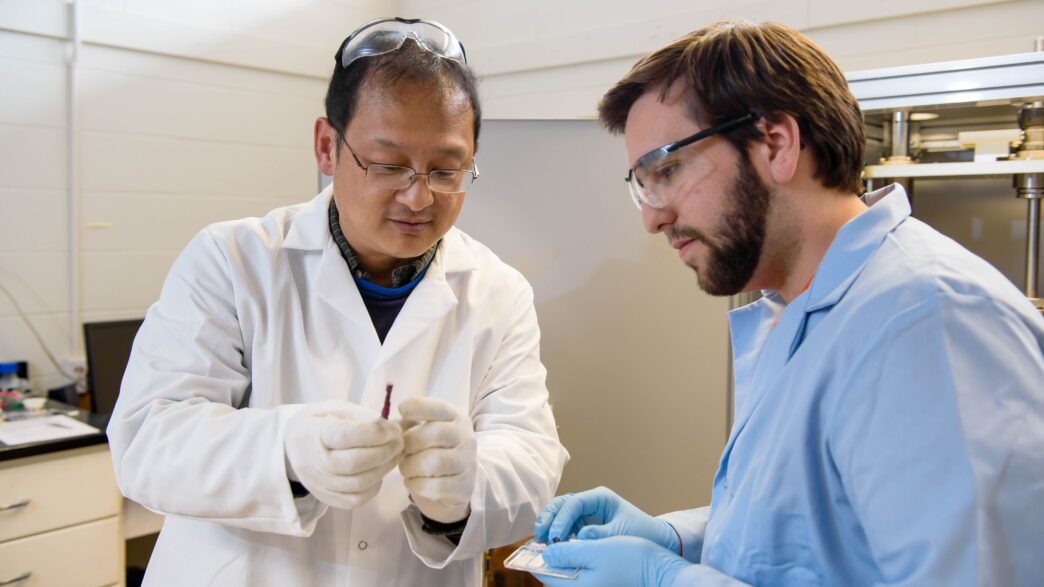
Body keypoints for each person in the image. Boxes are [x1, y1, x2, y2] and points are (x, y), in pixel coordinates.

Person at [529, 20, 1044, 587]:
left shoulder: (928, 322)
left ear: (776, 144)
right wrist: (678, 538)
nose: (653, 216)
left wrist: (668, 581)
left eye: (668, 170)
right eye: (642, 184)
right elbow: (816, 536)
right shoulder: (803, 311)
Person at [107, 17, 568, 586]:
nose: (418, 195)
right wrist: (290, 451)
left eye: (446, 170)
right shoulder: (232, 260)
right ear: (328, 146)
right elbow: (148, 442)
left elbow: (532, 457)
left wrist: (468, 482)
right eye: (388, 164)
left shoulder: (498, 291)